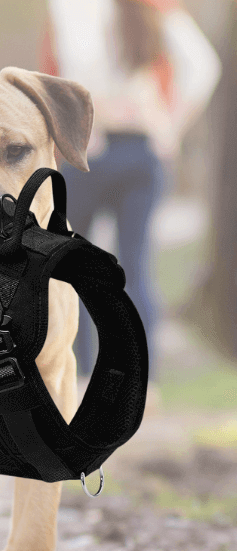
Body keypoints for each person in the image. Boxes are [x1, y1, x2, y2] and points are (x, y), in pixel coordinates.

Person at [40, 0, 221, 406]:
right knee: (135, 268)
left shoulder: (71, 7)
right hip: (144, 149)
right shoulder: (154, 7)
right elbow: (203, 66)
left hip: (91, 148)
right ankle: (142, 384)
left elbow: (73, 68)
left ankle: (84, 378)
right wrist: (170, 124)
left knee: (78, 267)